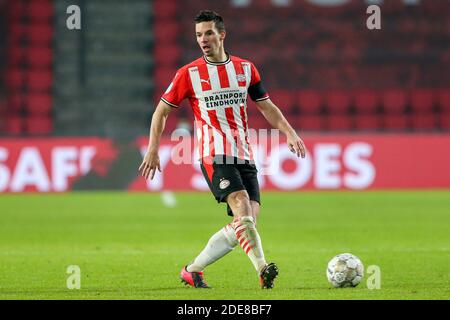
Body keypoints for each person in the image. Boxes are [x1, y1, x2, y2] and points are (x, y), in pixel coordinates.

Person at [138, 10, 306, 289]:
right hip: (213, 153)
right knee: (241, 205)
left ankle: (193, 270)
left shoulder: (245, 68)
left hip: (245, 154)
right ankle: (263, 269)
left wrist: (289, 132)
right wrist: (153, 149)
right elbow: (161, 112)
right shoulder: (188, 74)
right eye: (198, 35)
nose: (203, 39)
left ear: (221, 35)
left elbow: (266, 106)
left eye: (208, 33)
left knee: (247, 223)